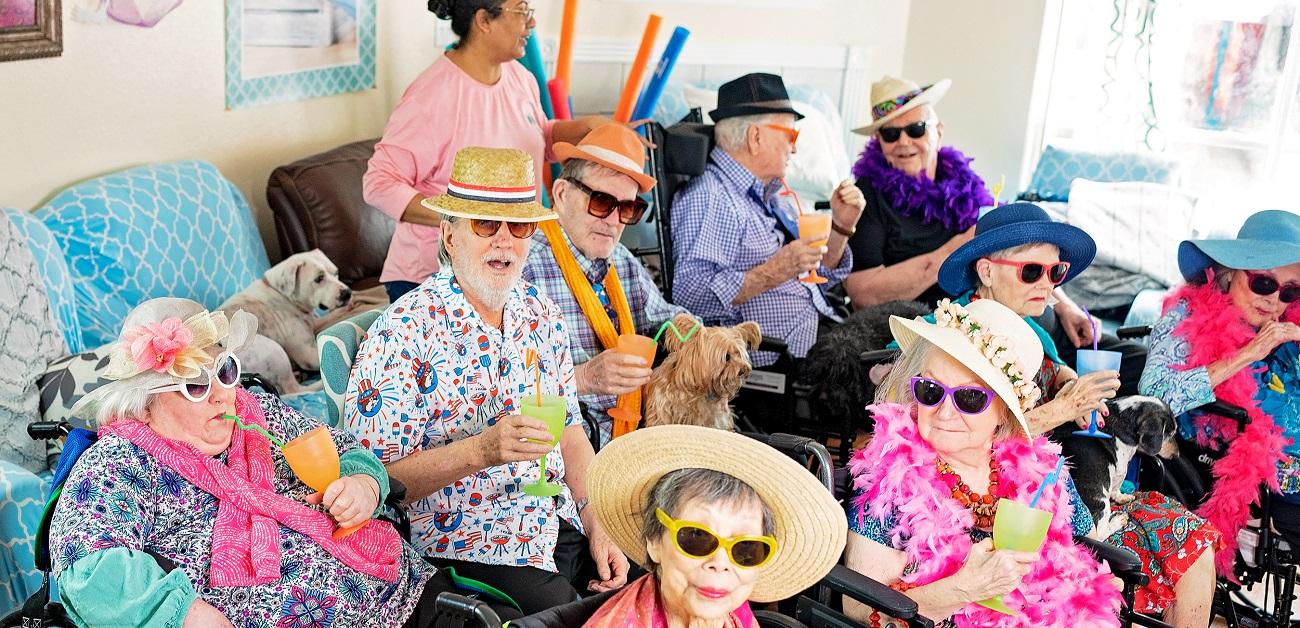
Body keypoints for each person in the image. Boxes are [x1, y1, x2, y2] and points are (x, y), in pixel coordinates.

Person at [49, 298, 456, 627]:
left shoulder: (255, 411)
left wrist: (362, 484)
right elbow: (89, 570)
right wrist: (187, 617)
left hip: (405, 592)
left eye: (225, 372)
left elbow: (342, 447)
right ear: (146, 403)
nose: (223, 395)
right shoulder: (120, 463)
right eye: (195, 385)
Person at [346, 147, 626, 618]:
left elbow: (571, 429)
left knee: (655, 576)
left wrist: (597, 518)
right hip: (464, 541)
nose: (504, 241)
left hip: (552, 516)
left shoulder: (540, 312)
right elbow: (375, 485)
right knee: (573, 615)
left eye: (519, 227)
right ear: (449, 235)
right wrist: (482, 450)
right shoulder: (403, 334)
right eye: (484, 225)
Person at [931, 203, 1218, 624]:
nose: (1048, 286)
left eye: (1056, 273)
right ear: (987, 272)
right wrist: (1061, 409)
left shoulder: (1037, 334)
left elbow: (1060, 375)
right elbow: (954, 438)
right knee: (1158, 551)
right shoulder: (951, 332)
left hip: (1061, 487)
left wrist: (1079, 392)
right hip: (992, 510)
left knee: (1194, 542)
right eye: (1033, 272)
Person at [845, 298, 1123, 626]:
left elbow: (1084, 558)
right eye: (931, 389)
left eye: (970, 397)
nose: (944, 412)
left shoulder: (1043, 475)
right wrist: (962, 589)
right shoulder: (888, 478)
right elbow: (861, 612)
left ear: (1003, 412)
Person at [364, 0, 607, 303]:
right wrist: (466, 220)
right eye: (522, 12)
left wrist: (587, 130)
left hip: (499, 269)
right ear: (484, 21)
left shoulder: (521, 79)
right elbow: (379, 183)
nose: (531, 24)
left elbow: (535, 139)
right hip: (431, 278)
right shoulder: (431, 96)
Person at [1141, 209, 1300, 575]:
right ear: (1229, 274)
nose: (1274, 300)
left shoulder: (1289, 327)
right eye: (1263, 283)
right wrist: (1247, 354)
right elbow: (1155, 392)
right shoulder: (1187, 315)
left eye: (1290, 290)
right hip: (1252, 475)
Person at [671, 72, 866, 366]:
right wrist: (775, 270)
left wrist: (841, 227)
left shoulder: (771, 197)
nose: (795, 148)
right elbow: (689, 298)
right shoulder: (712, 197)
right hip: (781, 363)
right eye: (791, 135)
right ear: (755, 136)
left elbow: (819, 281)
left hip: (821, 336)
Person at [522, 123, 688, 445]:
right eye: (600, 201)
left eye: (627, 208)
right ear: (561, 194)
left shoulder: (621, 260)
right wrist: (584, 378)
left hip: (636, 436)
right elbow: (504, 379)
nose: (613, 220)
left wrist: (701, 337)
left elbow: (666, 320)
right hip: (563, 449)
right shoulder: (526, 265)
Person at [583, 423, 845, 627]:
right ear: (654, 540)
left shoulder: (731, 606)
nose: (721, 562)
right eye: (697, 536)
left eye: (746, 548)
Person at [841, 76, 987, 309]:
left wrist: (1062, 304)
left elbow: (1011, 252)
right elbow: (863, 295)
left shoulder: (963, 183)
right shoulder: (866, 196)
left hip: (979, 310)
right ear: (878, 141)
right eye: (890, 134)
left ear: (938, 133)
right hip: (914, 322)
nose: (903, 141)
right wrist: (956, 249)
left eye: (916, 130)